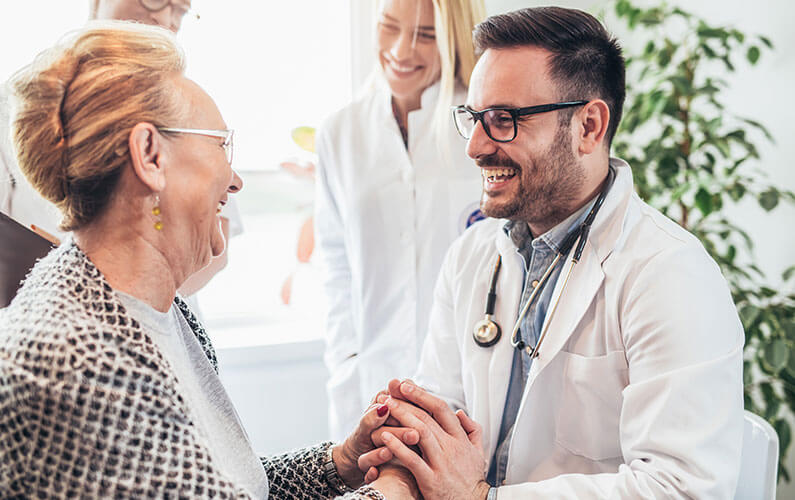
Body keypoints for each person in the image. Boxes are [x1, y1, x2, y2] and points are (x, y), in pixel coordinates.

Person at [0, 22, 419, 499]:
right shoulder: (75, 364)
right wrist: (396, 489)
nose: (235, 179)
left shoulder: (160, 308)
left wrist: (342, 462)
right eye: (221, 144)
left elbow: (225, 486)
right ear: (150, 155)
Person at [363, 7, 745, 499]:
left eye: (504, 120)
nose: (475, 146)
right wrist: (394, 478)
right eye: (474, 118)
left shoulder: (671, 276)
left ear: (589, 126)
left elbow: (682, 489)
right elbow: (433, 418)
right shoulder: (472, 257)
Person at [315, 0, 487, 441]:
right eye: (388, 27)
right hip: (370, 382)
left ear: (455, 38)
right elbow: (336, 264)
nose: (400, 50)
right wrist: (346, 361)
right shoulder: (341, 132)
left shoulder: (487, 125)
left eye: (426, 36)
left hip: (470, 387)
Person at [0, 0, 241, 313]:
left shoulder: (189, 108)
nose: (167, 18)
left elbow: (214, 246)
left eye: (181, 9)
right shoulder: (20, 107)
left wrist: (142, 292)